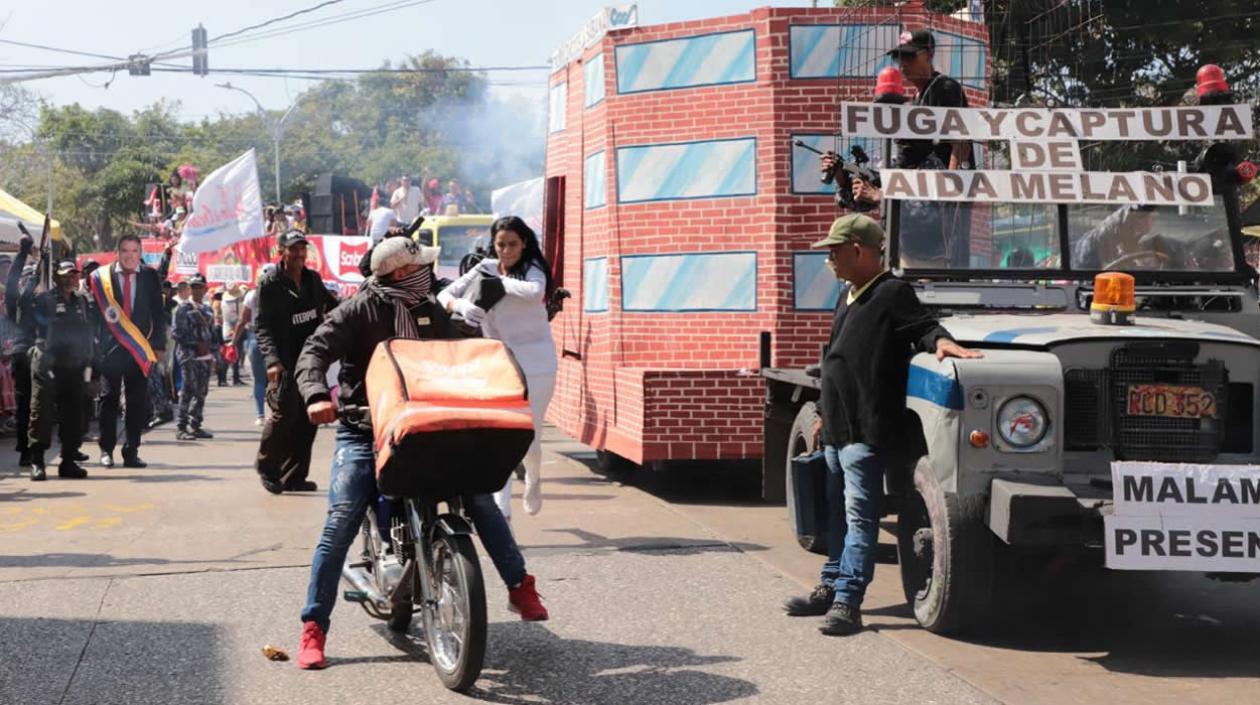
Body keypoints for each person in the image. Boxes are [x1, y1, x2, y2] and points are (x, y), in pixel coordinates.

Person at [292, 236, 548, 670]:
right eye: (419, 269)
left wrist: (476, 319)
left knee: (479, 498)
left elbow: (462, 354)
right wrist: (317, 394)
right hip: (365, 429)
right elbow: (314, 350)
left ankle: (519, 584)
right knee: (341, 519)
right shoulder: (357, 309)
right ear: (399, 274)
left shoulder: (428, 307)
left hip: (427, 425)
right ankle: (314, 627)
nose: (428, 275)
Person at [783, 214, 980, 636]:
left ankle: (848, 602)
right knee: (836, 516)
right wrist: (821, 412)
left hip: (864, 433)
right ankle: (831, 584)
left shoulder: (892, 292)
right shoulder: (848, 297)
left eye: (834, 252)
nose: (829, 260)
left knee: (859, 518)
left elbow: (924, 328)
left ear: (859, 248)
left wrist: (942, 342)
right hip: (837, 430)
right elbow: (834, 361)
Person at [438, 216, 557, 518]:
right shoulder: (486, 267)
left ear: (524, 243)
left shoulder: (532, 270)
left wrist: (497, 284)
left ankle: (534, 480)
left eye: (512, 244)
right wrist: (464, 306)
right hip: (499, 363)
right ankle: (502, 512)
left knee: (531, 438)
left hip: (537, 362)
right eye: (500, 245)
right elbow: (444, 295)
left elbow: (534, 291)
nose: (505, 251)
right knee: (502, 437)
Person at [254, 231, 338, 494]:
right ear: (282, 252)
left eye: (303, 249)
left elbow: (333, 307)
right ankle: (267, 468)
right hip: (285, 362)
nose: (300, 255)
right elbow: (262, 326)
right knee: (283, 416)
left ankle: (294, 476)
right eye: (294, 250)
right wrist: (272, 361)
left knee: (307, 418)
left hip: (312, 361)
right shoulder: (270, 284)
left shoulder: (313, 279)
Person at [89, 234, 166, 469]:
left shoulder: (150, 276)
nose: (130, 256)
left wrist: (159, 345)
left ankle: (131, 450)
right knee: (108, 399)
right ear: (117, 252)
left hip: (139, 349)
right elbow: (93, 316)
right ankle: (106, 449)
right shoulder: (101, 278)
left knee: (137, 402)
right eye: (125, 251)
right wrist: (95, 346)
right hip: (110, 349)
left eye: (134, 251)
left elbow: (158, 312)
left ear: (140, 253)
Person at [26, 260, 95, 480]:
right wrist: (34, 277)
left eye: (74, 274)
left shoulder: (82, 301)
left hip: (73, 364)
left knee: (74, 415)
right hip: (48, 363)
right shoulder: (45, 299)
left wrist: (91, 364)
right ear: (56, 277)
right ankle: (37, 462)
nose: (70, 278)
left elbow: (88, 333)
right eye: (65, 275)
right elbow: (23, 310)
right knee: (42, 413)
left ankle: (68, 461)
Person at [6, 235, 38, 466]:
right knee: (26, 403)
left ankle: (32, 445)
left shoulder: (43, 301)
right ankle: (25, 447)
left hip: (42, 355)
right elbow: (12, 279)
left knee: (40, 404)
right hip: (23, 354)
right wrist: (23, 251)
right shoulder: (14, 301)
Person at [173, 274, 216, 442]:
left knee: (202, 392)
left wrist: (214, 354)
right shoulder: (183, 308)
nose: (197, 290)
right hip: (188, 356)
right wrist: (195, 344)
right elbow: (177, 334)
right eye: (194, 286)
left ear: (205, 289)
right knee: (188, 390)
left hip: (205, 357)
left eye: (200, 286)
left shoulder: (208, 309)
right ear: (190, 289)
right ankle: (181, 427)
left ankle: (196, 425)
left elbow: (212, 334)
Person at [1070, 205, 1164, 270]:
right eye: (1141, 218)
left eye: (1149, 217)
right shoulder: (1091, 243)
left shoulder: (1152, 242)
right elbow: (1085, 279)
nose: (1147, 222)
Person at [234, 268, 272, 426]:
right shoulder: (282, 294)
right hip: (274, 339)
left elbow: (243, 320)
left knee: (259, 380)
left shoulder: (252, 295)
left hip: (255, 337)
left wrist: (233, 340)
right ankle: (273, 413)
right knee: (275, 379)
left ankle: (260, 415)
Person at [220, 282, 246, 385]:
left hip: (227, 329)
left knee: (229, 353)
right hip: (233, 329)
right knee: (233, 353)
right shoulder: (233, 304)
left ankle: (223, 378)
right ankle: (233, 378)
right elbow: (236, 318)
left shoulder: (224, 302)